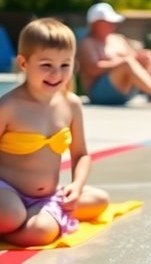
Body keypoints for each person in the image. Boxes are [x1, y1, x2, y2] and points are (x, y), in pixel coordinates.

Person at [0, 18, 110, 246]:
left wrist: (76, 186)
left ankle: (36, 222)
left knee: (99, 200)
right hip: (6, 191)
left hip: (46, 196)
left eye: (65, 65)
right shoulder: (9, 106)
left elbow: (81, 154)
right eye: (46, 65)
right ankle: (17, 224)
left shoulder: (70, 104)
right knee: (12, 216)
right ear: (23, 63)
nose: (56, 74)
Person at [77, 2, 151, 107]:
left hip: (125, 90)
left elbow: (134, 59)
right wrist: (121, 62)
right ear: (96, 23)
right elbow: (92, 69)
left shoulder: (118, 39)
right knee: (127, 63)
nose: (113, 25)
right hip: (99, 94)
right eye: (108, 22)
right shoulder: (87, 43)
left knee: (147, 55)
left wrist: (139, 57)